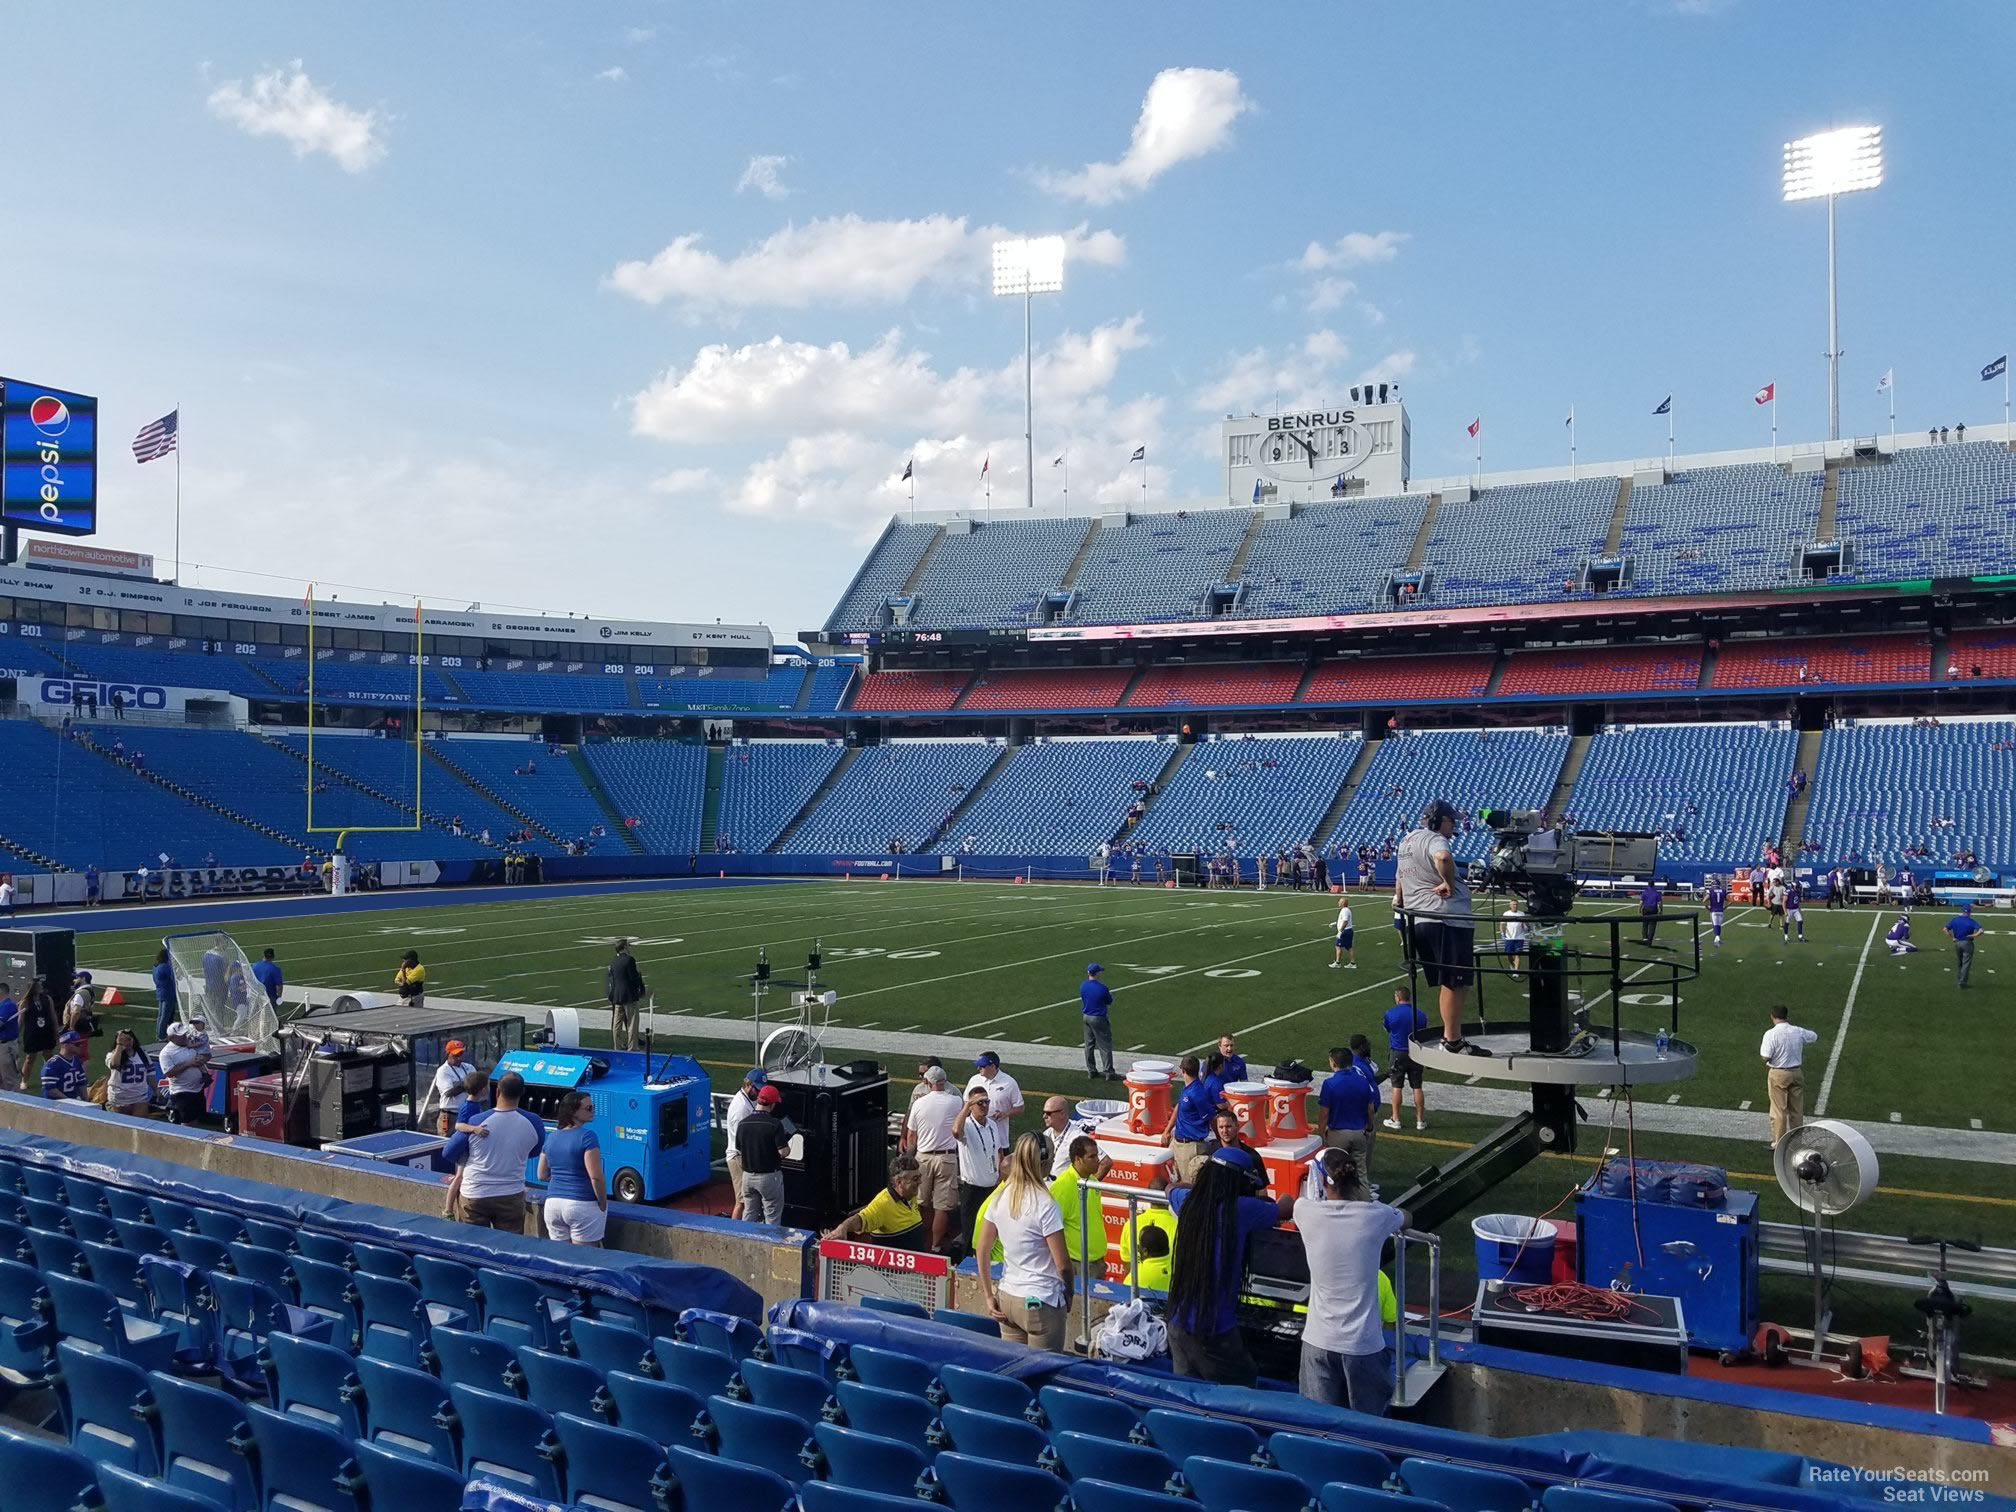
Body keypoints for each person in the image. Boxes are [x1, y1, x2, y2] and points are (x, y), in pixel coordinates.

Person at [1295, 1145, 1405, 1414]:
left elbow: (1291, 1203)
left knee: (1317, 1424)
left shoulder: (1304, 1212)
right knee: (1368, 1427)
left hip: (1319, 1340)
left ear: (1321, 1180)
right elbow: (1405, 1217)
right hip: (1363, 1344)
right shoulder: (1376, 1216)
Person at [1166, 1146, 1288, 1385]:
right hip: (1214, 1329)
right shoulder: (1243, 1209)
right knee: (1242, 1389)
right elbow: (1286, 1206)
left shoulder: (1188, 1201)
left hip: (1178, 1323)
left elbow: (1169, 1188)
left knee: (1188, 1396)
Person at [1394, 799, 1484, 1056]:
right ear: (1439, 820)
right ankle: (1452, 1039)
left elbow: (1400, 875)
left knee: (1449, 982)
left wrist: (1400, 899)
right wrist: (1448, 882)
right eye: (1450, 820)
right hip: (1446, 918)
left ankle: (1451, 1036)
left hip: (1420, 918)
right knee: (1457, 983)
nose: (1453, 826)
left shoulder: (1407, 840)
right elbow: (1443, 856)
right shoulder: (1435, 839)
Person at [975, 1134, 1072, 1350]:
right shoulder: (1046, 1204)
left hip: (1008, 1297)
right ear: (1044, 1162)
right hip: (1040, 1300)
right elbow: (1063, 1264)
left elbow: (982, 1249)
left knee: (1015, 1373)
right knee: (1043, 1374)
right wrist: (1070, 1292)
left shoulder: (1001, 1196)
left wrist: (989, 1295)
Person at [444, 1071, 546, 1232]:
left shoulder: (476, 1121)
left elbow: (449, 1152)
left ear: (497, 1091)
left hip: (474, 1193)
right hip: (511, 1195)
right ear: (522, 1093)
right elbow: (535, 1151)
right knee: (509, 1249)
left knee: (473, 1247)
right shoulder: (534, 1122)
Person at [903, 1065, 964, 1252]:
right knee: (942, 1207)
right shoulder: (955, 1101)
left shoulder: (920, 1103)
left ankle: (920, 1241)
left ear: (927, 1082)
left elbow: (911, 1136)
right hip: (946, 1157)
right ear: (944, 1082)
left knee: (921, 1203)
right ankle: (936, 1246)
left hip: (923, 1157)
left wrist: (909, 1157)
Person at [540, 1089, 609, 1245]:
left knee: (562, 1259)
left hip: (553, 1205)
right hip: (582, 1204)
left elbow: (541, 1174)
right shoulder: (587, 1136)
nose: (593, 1111)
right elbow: (595, 1177)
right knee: (585, 1260)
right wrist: (603, 1203)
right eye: (589, 1108)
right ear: (573, 1111)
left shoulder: (551, 1137)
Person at [826, 1154, 925, 1250]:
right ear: (899, 1182)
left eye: (919, 1177)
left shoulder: (910, 1195)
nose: (920, 1182)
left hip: (916, 1262)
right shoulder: (883, 1204)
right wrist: (843, 1228)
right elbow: (861, 1219)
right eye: (915, 1179)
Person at [1315, 1047, 1377, 1198]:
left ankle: (1338, 1210)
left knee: (1334, 1176)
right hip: (1358, 1132)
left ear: (1334, 1063)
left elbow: (1324, 1113)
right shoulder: (1362, 1081)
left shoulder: (1330, 1084)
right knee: (1361, 1176)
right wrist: (1369, 1126)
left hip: (1338, 1134)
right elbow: (1370, 1109)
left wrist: (1321, 1133)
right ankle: (1364, 1208)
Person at [952, 1083, 1004, 1255]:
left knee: (991, 1231)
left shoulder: (992, 1125)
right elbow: (955, 1131)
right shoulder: (966, 1125)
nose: (984, 1106)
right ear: (971, 1106)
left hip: (992, 1187)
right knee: (969, 1232)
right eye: (980, 1103)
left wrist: (1001, 1175)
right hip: (972, 1189)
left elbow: (999, 1150)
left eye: (986, 1102)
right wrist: (966, 1105)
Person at [732, 1085, 792, 1226]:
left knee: (749, 1215)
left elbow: (739, 1150)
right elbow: (783, 1152)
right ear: (772, 1104)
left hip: (747, 1177)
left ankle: (745, 1244)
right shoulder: (775, 1124)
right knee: (772, 1218)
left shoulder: (743, 1124)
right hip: (769, 1177)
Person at [1759, 1005, 1819, 1146]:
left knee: (1778, 1110)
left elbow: (1765, 1057)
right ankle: (1797, 1141)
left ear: (1772, 1016)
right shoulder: (1797, 1031)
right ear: (1786, 1016)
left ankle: (1779, 1143)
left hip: (1778, 1073)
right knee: (1796, 1110)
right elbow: (1814, 1037)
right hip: (1796, 1072)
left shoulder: (1771, 1034)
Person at [1163, 1055, 1221, 1185]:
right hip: (1180, 1143)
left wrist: (1219, 1139)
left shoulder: (1197, 1093)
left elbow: (1211, 1118)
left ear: (1182, 1070)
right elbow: (1179, 1107)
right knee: (1176, 1181)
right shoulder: (1190, 1088)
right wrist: (1167, 1130)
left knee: (1187, 1186)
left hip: (1190, 1146)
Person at [1382, 988, 1430, 1132]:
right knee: (1417, 1086)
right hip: (1415, 1052)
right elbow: (1423, 1032)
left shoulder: (1391, 1013)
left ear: (1397, 997)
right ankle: (1420, 1120)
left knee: (1397, 1086)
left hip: (1398, 1052)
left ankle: (1396, 1119)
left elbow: (1387, 1029)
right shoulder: (1420, 1014)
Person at [723, 1069, 767, 1202]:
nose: (759, 1093)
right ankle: (734, 1224)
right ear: (748, 1085)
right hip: (738, 1157)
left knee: (749, 1200)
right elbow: (741, 1141)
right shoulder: (741, 1109)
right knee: (742, 1201)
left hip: (743, 1155)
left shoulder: (748, 1098)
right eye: (757, 1089)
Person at [966, 1052, 1023, 1148]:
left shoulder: (1009, 1083)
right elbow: (966, 1103)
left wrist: (1005, 1114)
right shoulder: (974, 1080)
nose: (978, 1069)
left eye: (982, 1066)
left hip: (999, 1139)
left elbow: (1020, 1107)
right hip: (975, 1138)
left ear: (992, 1066)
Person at [159, 1021, 212, 1124]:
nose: (184, 1036)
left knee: (198, 1121)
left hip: (198, 1090)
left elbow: (207, 1056)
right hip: (182, 1093)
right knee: (187, 1123)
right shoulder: (166, 1053)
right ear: (171, 1038)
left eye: (184, 1033)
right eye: (180, 1035)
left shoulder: (191, 1044)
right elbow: (169, 1073)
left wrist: (204, 1067)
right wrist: (188, 1064)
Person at [430, 1040, 480, 1135]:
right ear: (448, 1054)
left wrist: (461, 1085)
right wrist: (468, 1083)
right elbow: (449, 1092)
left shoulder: (469, 1067)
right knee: (447, 1142)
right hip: (451, 1115)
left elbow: (477, 1085)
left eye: (461, 1054)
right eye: (455, 1055)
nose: (459, 1058)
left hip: (467, 1112)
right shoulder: (443, 1071)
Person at [605, 939, 648, 1051]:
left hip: (617, 996)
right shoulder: (629, 960)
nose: (629, 947)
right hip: (629, 995)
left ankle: (617, 1046)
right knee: (632, 1023)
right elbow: (633, 978)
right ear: (624, 947)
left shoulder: (614, 961)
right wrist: (640, 985)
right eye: (628, 945)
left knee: (617, 1024)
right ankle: (632, 1046)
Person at [17, 979, 58, 1091]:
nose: (41, 987)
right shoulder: (25, 1002)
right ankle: (24, 1081)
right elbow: (20, 1020)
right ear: (33, 987)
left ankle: (50, 1079)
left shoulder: (47, 999)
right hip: (32, 1032)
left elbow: (53, 1015)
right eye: (38, 985)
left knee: (49, 1056)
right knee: (30, 1057)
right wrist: (16, 1035)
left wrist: (56, 1031)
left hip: (46, 1031)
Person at [1078, 963, 1116, 1081]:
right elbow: (1109, 1001)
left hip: (1086, 1016)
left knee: (1089, 1045)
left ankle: (1091, 1070)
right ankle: (1108, 1071)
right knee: (1104, 1045)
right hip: (1098, 1017)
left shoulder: (1083, 986)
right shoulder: (1102, 987)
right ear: (1097, 973)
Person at [105, 1029, 154, 1116]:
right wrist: (119, 1046)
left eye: (129, 1039)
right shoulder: (112, 1055)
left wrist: (156, 1090)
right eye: (123, 1040)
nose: (127, 1042)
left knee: (140, 1125)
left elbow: (150, 1073)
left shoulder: (142, 1054)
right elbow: (114, 1064)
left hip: (139, 1097)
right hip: (118, 1098)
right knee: (121, 1127)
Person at [1037, 1096, 1081, 1176]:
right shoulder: (1046, 1134)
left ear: (1062, 1114)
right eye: (1043, 1112)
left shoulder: (1077, 1137)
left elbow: (1105, 1163)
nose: (1044, 1116)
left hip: (1063, 1187)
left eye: (1049, 1113)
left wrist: (1084, 1186)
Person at [41, 1030, 89, 1100]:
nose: (80, 1046)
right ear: (66, 1045)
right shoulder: (52, 1064)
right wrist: (70, 1101)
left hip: (73, 1100)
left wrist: (86, 1101)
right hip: (55, 1104)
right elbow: (50, 1090)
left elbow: (81, 1083)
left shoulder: (77, 1060)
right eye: (77, 1044)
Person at [1945, 903, 1983, 989]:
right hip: (1967, 942)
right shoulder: (1971, 921)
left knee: (1959, 962)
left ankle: (1959, 978)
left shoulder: (1955, 920)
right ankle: (1962, 982)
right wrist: (1974, 935)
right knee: (1966, 963)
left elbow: (1945, 929)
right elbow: (1981, 931)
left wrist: (1952, 937)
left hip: (1957, 942)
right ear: (1970, 912)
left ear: (1962, 911)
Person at [62, 972, 97, 1060]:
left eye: (77, 978)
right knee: (82, 1052)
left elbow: (76, 1011)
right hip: (84, 1025)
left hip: (78, 1026)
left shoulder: (81, 994)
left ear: (83, 979)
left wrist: (71, 1028)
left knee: (75, 1053)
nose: (74, 980)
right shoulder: (89, 991)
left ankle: (78, 1071)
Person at [151, 948, 180, 1042]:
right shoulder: (165, 967)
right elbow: (176, 977)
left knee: (161, 1015)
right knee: (165, 1015)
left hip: (160, 991)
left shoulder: (156, 966)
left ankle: (160, 1033)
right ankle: (162, 1035)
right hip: (168, 993)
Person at [0, 980, 22, 1094]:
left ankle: (17, 1107)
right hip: (3, 1046)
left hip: (6, 1047)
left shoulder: (7, 1005)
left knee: (9, 1079)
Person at [1331, 896, 1356, 969]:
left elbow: (1345, 921)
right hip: (1348, 930)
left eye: (1339, 902)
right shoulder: (1346, 910)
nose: (1338, 903)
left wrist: (1340, 931)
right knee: (1349, 947)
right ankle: (1352, 963)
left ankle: (1337, 962)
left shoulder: (1345, 910)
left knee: (1338, 946)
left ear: (1343, 903)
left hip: (1345, 931)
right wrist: (1335, 923)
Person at [1704, 876, 1729, 947]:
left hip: (1713, 910)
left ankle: (1717, 938)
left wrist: (1707, 907)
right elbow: (1730, 901)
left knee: (1715, 925)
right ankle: (1717, 939)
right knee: (1718, 925)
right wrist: (1725, 907)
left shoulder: (1711, 891)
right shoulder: (1723, 891)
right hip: (1721, 910)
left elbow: (1704, 900)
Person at [1638, 879, 1663, 946]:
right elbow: (1660, 903)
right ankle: (1650, 939)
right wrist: (1661, 910)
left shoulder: (1645, 892)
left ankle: (1644, 938)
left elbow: (1641, 902)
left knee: (1645, 924)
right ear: (1654, 885)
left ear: (1648, 884)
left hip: (1646, 909)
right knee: (1652, 925)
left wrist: (1639, 909)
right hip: (1653, 910)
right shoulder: (1656, 893)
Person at [1781, 877, 1805, 943]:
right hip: (1789, 909)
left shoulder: (1798, 891)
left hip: (1796, 909)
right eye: (1797, 886)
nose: (1798, 888)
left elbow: (1797, 901)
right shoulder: (1788, 891)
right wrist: (1785, 911)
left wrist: (1799, 908)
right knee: (1787, 923)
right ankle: (1786, 936)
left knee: (1800, 921)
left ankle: (1800, 936)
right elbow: (1783, 902)